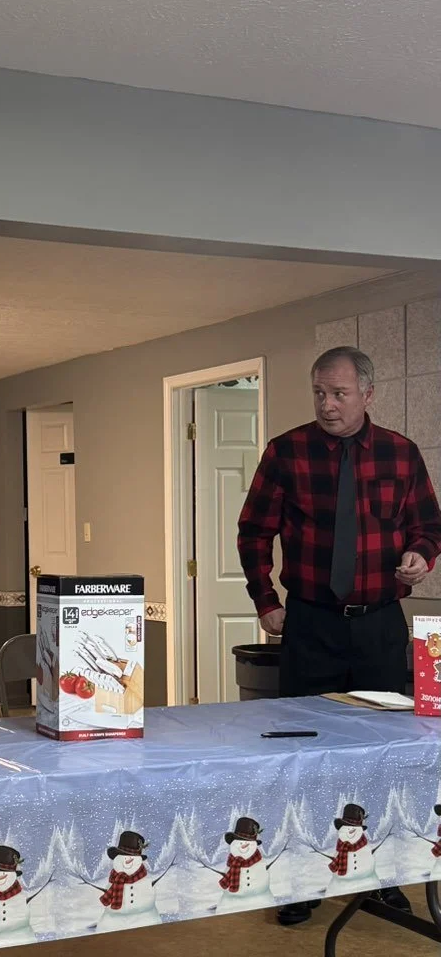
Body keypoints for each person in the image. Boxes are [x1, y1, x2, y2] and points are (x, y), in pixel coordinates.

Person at [238, 345, 441, 926]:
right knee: (306, 756)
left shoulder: (400, 454)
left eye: (340, 394)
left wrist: (420, 556)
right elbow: (253, 530)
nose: (328, 405)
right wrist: (266, 602)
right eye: (320, 394)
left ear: (368, 394)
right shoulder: (287, 451)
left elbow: (430, 525)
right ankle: (301, 878)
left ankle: (379, 877)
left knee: (381, 758)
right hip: (309, 626)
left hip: (379, 627)